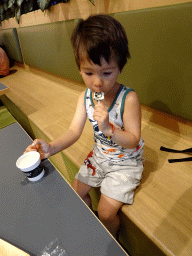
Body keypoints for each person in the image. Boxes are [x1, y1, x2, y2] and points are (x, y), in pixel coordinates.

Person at [24, 14, 144, 238]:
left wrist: (109, 129)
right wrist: (51, 147)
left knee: (107, 213)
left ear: (120, 68)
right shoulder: (85, 97)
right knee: (77, 194)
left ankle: (110, 240)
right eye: (89, 73)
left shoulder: (128, 99)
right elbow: (73, 131)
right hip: (99, 156)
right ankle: (90, 230)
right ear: (79, 69)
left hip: (125, 162)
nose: (97, 82)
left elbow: (133, 140)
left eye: (107, 73)